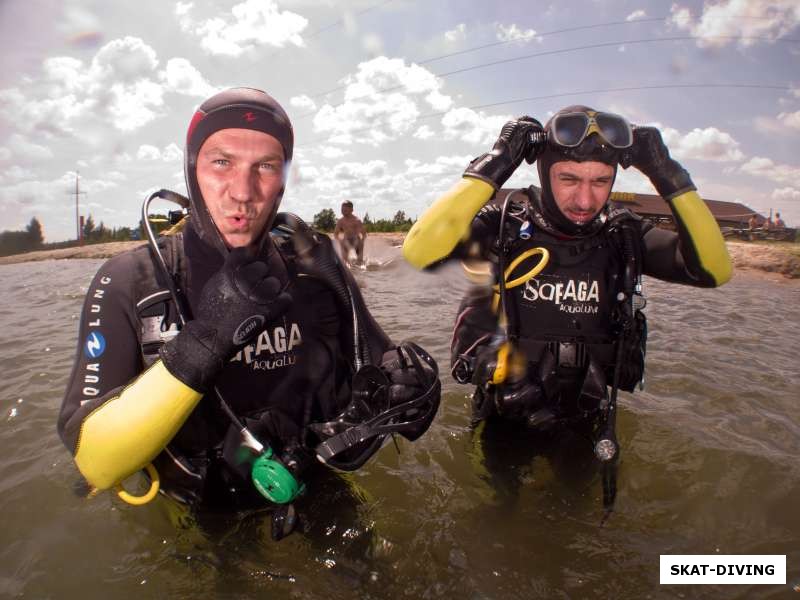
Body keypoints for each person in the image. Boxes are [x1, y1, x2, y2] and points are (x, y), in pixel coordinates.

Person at [57, 88, 440, 537]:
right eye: (222, 162)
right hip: (202, 510)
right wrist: (206, 339)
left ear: (283, 178)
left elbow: (379, 360)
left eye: (266, 166)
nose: (243, 192)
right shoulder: (130, 280)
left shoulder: (315, 266)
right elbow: (92, 458)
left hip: (311, 479)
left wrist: (410, 390)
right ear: (191, 169)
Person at [402, 106, 731, 504]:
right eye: (569, 178)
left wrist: (668, 173)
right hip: (503, 415)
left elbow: (714, 270)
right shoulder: (503, 224)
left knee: (575, 514)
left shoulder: (623, 235)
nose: (585, 198)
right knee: (495, 518)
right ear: (544, 170)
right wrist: (496, 161)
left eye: (601, 181)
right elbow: (420, 251)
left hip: (585, 420)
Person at [334, 200, 367, 266]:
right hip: (346, 240)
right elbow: (335, 234)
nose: (343, 211)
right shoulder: (341, 221)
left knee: (359, 244)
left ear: (351, 210)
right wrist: (339, 240)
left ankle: (360, 263)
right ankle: (346, 264)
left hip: (356, 240)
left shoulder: (356, 220)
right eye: (342, 209)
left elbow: (364, 234)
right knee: (345, 261)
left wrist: (362, 241)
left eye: (345, 210)